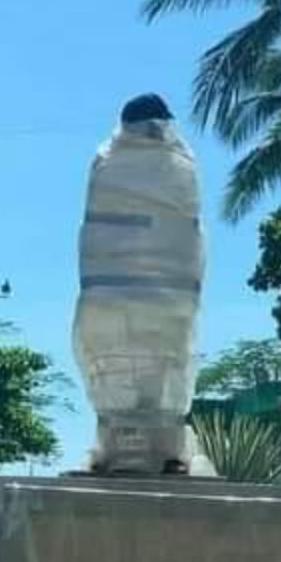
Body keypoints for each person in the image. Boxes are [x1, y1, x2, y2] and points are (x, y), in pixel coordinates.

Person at [73, 94, 208, 475]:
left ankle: (126, 451)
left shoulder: (106, 162)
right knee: (158, 370)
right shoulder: (180, 164)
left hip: (115, 294)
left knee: (124, 370)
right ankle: (160, 453)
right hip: (162, 296)